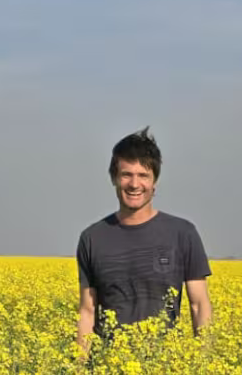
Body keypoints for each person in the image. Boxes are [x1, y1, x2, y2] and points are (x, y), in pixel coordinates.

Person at [76, 126, 212, 352]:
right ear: (114, 179)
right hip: (107, 374)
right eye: (126, 174)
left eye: (143, 175)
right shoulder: (92, 238)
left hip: (165, 373)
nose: (134, 184)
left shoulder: (183, 233)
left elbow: (199, 305)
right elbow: (87, 312)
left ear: (154, 182)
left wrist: (204, 370)